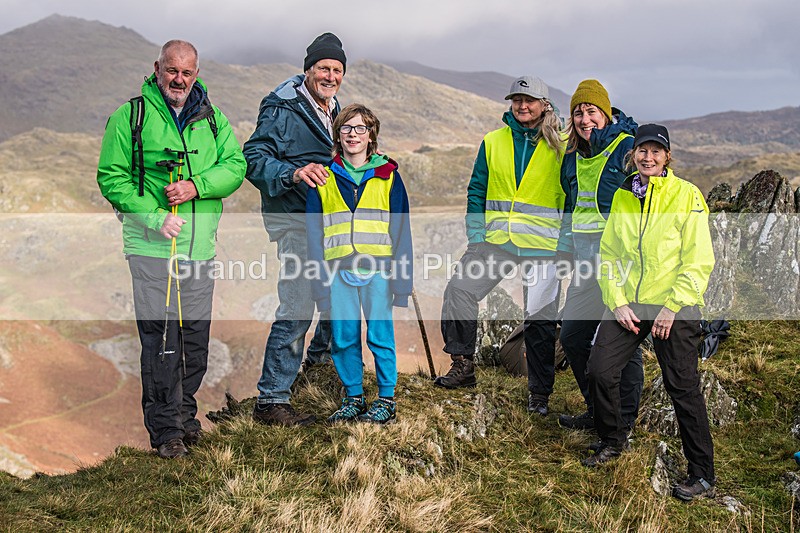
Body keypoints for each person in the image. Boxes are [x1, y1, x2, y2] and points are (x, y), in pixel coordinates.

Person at [97, 40, 245, 458]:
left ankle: (185, 417)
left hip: (199, 250)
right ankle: (166, 434)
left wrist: (197, 186)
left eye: (187, 73)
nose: (179, 80)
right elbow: (111, 178)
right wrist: (155, 216)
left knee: (195, 341)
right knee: (163, 342)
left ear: (197, 74)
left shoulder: (213, 119)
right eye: (172, 71)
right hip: (152, 250)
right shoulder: (131, 117)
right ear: (157, 68)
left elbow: (236, 166)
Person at [582, 124, 717, 503]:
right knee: (600, 368)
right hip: (631, 303)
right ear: (634, 154)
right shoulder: (624, 197)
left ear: (667, 157)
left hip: (675, 305)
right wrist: (617, 300)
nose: (648, 157)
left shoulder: (686, 195)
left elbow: (698, 259)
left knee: (682, 386)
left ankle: (702, 474)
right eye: (643, 150)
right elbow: (609, 255)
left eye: (656, 151)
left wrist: (672, 306)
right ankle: (613, 440)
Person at [437, 76, 566, 416]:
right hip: (496, 243)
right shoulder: (493, 141)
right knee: (459, 290)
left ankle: (539, 394)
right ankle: (463, 365)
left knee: (539, 321)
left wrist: (566, 244)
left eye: (530, 100)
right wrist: (476, 237)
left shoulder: (563, 143)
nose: (522, 106)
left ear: (545, 105)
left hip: (543, 247)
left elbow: (573, 195)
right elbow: (476, 190)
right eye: (517, 100)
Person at [243, 33, 346, 426]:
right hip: (294, 221)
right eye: (324, 68)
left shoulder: (337, 111)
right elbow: (253, 158)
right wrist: (292, 173)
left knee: (340, 299)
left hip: (332, 224)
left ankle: (317, 366)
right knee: (299, 304)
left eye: (337, 70)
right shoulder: (281, 107)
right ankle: (271, 399)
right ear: (308, 70)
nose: (330, 75)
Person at [306, 104, 413, 424]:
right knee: (343, 336)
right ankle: (353, 396)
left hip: (378, 272)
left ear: (371, 135)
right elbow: (314, 236)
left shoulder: (389, 176)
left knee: (380, 334)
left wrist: (403, 284)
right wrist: (319, 287)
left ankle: (386, 399)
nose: (353, 135)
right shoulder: (322, 179)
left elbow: (401, 232)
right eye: (346, 129)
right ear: (338, 135)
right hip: (338, 273)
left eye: (360, 129)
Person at [556, 80, 644, 433]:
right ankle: (597, 411)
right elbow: (570, 207)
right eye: (578, 112)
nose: (584, 118)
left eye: (591, 111)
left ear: (605, 113)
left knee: (624, 344)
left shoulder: (627, 148)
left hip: (620, 264)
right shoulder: (573, 157)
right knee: (573, 338)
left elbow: (647, 199)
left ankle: (623, 421)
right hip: (583, 262)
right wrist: (565, 251)